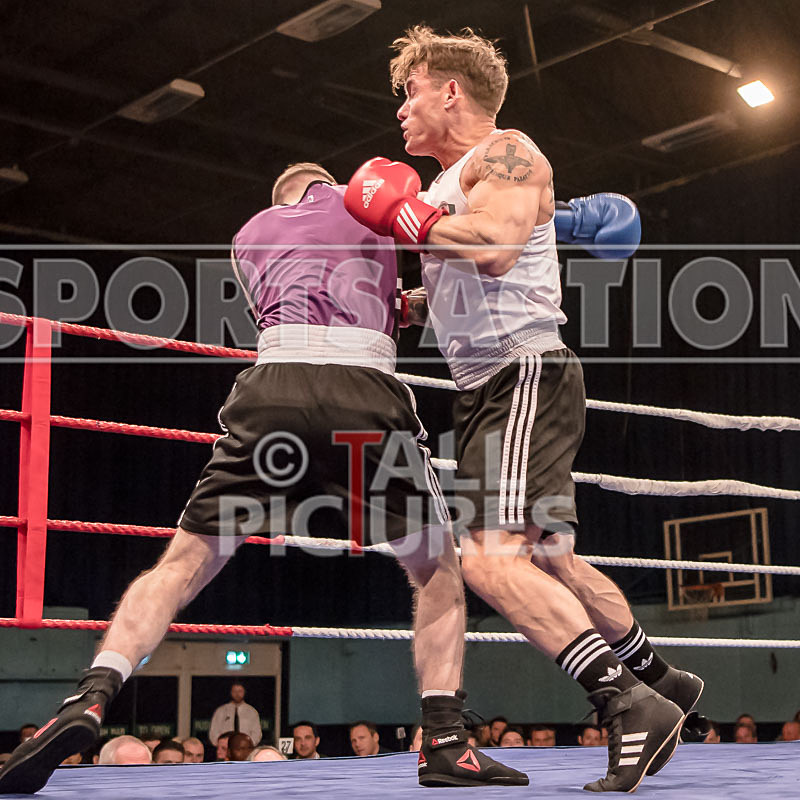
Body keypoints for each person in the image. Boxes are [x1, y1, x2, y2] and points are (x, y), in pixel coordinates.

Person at [0, 162, 523, 794]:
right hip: (363, 392)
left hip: (270, 391)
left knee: (179, 565)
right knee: (436, 567)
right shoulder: (369, 206)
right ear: (328, 183)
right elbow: (442, 274)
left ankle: (90, 696)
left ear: (280, 197)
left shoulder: (249, 235)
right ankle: (444, 741)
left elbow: (298, 300)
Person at [344, 24, 704, 794]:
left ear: (451, 91)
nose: (399, 110)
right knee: (545, 558)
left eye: (410, 92)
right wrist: (405, 303)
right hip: (487, 387)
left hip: (521, 375)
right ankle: (661, 681)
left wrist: (408, 221)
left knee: (488, 559)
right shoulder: (443, 186)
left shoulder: (507, 152)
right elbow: (462, 270)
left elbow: (499, 247)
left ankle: (625, 703)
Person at [209, 683, 262, 748]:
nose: (237, 694)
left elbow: (257, 733)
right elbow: (214, 731)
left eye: (240, 691)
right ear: (231, 692)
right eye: (234, 691)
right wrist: (221, 746)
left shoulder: (252, 712)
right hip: (226, 748)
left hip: (245, 749)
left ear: (244, 692)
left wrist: (247, 745)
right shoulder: (221, 711)